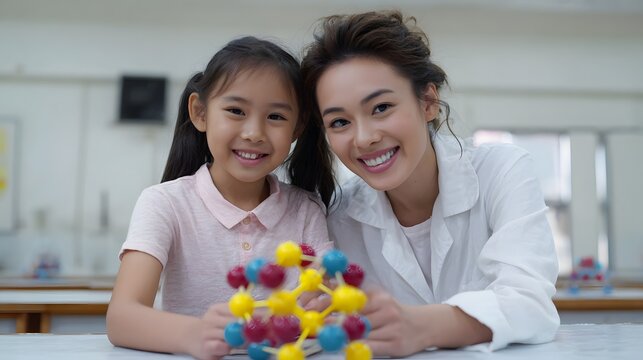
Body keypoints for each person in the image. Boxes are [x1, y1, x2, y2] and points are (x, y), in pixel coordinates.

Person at [300, 11, 560, 356]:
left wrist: (417, 327)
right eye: (339, 122)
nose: (363, 138)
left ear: (428, 102)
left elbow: (531, 304)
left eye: (381, 107)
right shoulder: (338, 220)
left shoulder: (502, 171)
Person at [107, 36, 334, 360]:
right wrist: (195, 335)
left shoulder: (307, 210)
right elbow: (121, 319)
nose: (254, 132)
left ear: (297, 128)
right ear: (200, 113)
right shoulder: (164, 203)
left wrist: (324, 308)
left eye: (276, 117)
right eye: (235, 111)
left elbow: (319, 308)